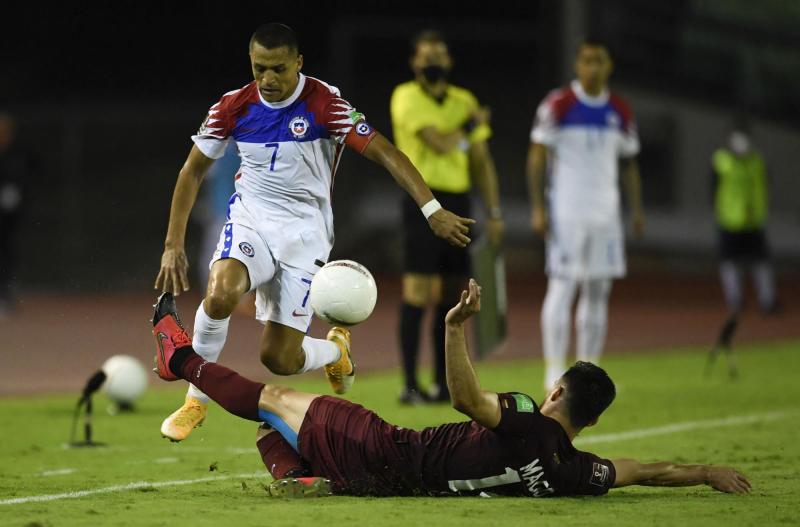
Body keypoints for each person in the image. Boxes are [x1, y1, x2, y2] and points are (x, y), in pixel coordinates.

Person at [154, 23, 475, 442]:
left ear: (299, 63)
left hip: (306, 235)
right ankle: (196, 400)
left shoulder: (325, 104)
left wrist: (431, 210)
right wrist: (173, 245)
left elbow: (388, 153)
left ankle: (335, 351)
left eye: (278, 69)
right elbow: (192, 170)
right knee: (219, 294)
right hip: (252, 218)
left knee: (279, 359)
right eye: (259, 68)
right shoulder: (232, 107)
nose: (268, 79)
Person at [151, 281, 751, 498]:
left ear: (561, 394)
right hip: (396, 483)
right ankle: (303, 477)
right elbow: (638, 470)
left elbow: (467, 400)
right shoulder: (574, 471)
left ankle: (179, 357)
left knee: (273, 399)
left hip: (390, 451)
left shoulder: (525, 419)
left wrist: (452, 327)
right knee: (277, 423)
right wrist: (701, 473)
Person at [390, 30, 503, 404]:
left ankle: (443, 383)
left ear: (450, 61)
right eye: (425, 57)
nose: (432, 62)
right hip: (422, 199)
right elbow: (438, 141)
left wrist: (495, 211)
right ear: (414, 63)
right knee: (418, 293)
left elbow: (480, 160)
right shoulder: (406, 96)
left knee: (452, 294)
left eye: (439, 55)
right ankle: (409, 385)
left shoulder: (463, 99)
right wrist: (471, 125)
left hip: (460, 197)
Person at [527, 38, 645, 391]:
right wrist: (538, 207)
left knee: (598, 291)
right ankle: (553, 372)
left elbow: (629, 164)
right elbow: (536, 156)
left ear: (609, 66)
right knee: (562, 286)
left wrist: (636, 209)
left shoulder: (621, 110)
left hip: (606, 216)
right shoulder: (558, 104)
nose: (593, 67)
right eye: (587, 61)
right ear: (578, 65)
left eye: (600, 61)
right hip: (567, 213)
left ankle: (589, 373)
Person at [712, 123, 777, 314]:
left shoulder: (757, 161)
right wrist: (720, 212)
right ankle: (735, 301)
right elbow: (713, 189)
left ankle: (768, 301)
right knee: (729, 262)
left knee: (761, 262)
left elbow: (765, 187)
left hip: (754, 220)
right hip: (729, 220)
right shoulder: (721, 161)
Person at [0, 112, 32, 316]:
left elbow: (26, 178)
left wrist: (13, 192)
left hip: (7, 220)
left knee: (5, 253)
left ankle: (4, 296)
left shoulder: (16, 155)